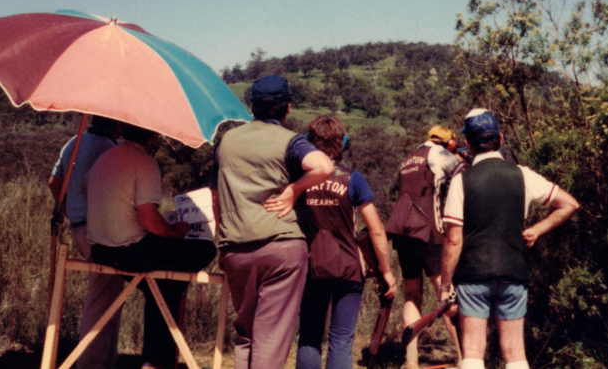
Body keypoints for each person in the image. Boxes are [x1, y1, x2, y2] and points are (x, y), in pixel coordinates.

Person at [440, 109, 580, 369]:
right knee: (515, 353)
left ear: (468, 144)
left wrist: (445, 287)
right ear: (501, 138)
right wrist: (537, 229)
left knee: (472, 351)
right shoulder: (522, 174)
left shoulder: (460, 182)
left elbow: (454, 241)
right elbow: (569, 204)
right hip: (514, 271)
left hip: (473, 275)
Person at [212, 75, 335, 369]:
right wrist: (294, 190)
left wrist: (223, 243)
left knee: (246, 334)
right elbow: (324, 166)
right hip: (281, 246)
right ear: (287, 108)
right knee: (271, 335)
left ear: (252, 107)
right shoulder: (290, 141)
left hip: (236, 249)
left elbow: (215, 197)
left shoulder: (226, 141)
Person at [86, 123, 217, 369]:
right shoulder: (145, 163)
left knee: (166, 287)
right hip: (131, 252)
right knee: (206, 249)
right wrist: (174, 231)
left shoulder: (105, 157)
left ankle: (155, 361)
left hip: (100, 249)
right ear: (154, 135)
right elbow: (148, 219)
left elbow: (85, 188)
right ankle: (155, 362)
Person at [295, 115, 397, 369]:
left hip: (311, 268)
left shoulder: (298, 181)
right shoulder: (353, 179)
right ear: (342, 144)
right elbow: (376, 230)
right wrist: (386, 271)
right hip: (348, 268)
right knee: (341, 340)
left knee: (309, 337)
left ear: (308, 141)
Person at [385, 125, 465, 369]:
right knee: (446, 294)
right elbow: (462, 175)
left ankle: (411, 360)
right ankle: (465, 359)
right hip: (429, 231)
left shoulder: (410, 157)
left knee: (412, 295)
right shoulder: (439, 153)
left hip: (403, 232)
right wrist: (460, 158)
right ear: (448, 142)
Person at [47, 115, 124, 369]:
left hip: (79, 228)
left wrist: (71, 210)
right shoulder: (109, 148)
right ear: (115, 124)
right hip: (99, 232)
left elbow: (54, 183)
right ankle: (92, 363)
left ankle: (104, 360)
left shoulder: (73, 142)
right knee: (102, 298)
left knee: (107, 295)